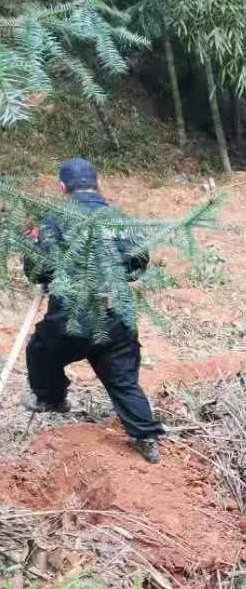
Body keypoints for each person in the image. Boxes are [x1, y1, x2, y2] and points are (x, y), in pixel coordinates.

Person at [22, 158, 165, 464]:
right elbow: (138, 261)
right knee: (123, 380)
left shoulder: (53, 220)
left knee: (40, 350)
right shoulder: (119, 219)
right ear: (97, 182)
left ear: (63, 187)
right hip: (116, 318)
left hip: (70, 319)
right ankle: (145, 437)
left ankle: (51, 398)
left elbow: (36, 268)